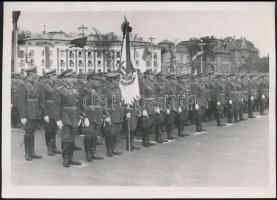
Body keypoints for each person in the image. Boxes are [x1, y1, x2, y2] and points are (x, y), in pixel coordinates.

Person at [55, 69, 82, 167]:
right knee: (66, 138)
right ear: (64, 79)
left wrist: (80, 116)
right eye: (69, 78)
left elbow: (78, 104)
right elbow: (57, 106)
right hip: (65, 116)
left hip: (74, 115)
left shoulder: (75, 89)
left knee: (72, 138)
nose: (71, 79)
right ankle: (65, 158)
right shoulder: (60, 90)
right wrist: (58, 119)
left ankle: (71, 157)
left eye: (72, 77)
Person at [17, 66, 42, 161]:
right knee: (28, 133)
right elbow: (21, 101)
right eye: (35, 73)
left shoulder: (35, 83)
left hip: (35, 112)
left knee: (32, 132)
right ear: (30, 74)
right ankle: (27, 153)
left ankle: (32, 151)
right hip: (27, 113)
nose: (36, 74)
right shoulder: (23, 85)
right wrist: (23, 116)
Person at [39, 69, 61, 156]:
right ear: (50, 76)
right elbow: (43, 100)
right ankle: (49, 148)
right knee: (49, 130)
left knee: (54, 130)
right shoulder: (44, 85)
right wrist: (45, 114)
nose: (56, 76)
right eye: (54, 75)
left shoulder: (56, 84)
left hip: (55, 110)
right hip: (48, 110)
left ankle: (54, 147)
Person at [82, 72, 104, 161]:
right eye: (96, 80)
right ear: (90, 80)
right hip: (90, 115)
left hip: (97, 114)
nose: (98, 81)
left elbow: (101, 102)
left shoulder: (98, 89)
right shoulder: (86, 90)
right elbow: (83, 104)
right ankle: (88, 153)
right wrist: (85, 117)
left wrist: (103, 114)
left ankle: (93, 152)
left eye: (98, 80)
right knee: (88, 134)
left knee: (95, 134)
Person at [102, 72, 123, 156]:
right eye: (116, 80)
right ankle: (109, 150)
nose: (118, 82)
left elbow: (119, 100)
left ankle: (113, 148)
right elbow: (103, 103)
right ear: (111, 80)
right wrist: (106, 115)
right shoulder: (106, 89)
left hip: (118, 113)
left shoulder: (118, 88)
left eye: (118, 80)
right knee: (110, 133)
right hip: (111, 113)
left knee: (115, 133)